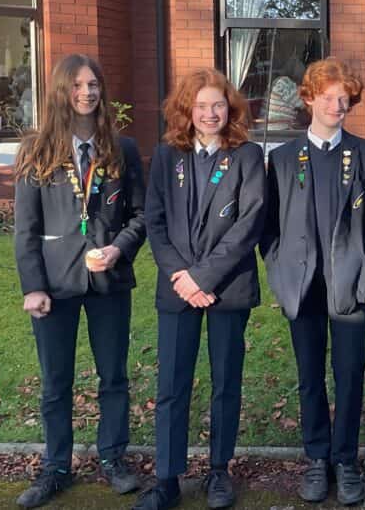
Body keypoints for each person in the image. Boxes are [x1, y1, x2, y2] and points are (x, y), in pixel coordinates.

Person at [261, 59, 365, 505]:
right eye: (328, 97)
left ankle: (346, 459)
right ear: (309, 99)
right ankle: (317, 458)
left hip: (349, 284)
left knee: (350, 374)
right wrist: (279, 269)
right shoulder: (282, 159)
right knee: (309, 377)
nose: (337, 105)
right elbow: (267, 226)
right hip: (302, 287)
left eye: (344, 99)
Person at [13, 54, 146, 508]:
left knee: (113, 376)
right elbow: (26, 229)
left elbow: (141, 215)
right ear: (60, 92)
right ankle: (56, 467)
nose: (87, 92)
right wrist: (33, 286)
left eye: (93, 84)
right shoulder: (36, 150)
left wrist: (119, 249)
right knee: (56, 381)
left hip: (109, 282)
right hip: (54, 283)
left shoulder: (122, 150)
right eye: (77, 85)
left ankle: (113, 458)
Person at [135, 68, 266, 510]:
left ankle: (218, 471)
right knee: (172, 384)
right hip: (177, 287)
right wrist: (182, 277)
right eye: (201, 105)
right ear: (186, 110)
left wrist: (203, 278)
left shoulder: (247, 156)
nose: (210, 113)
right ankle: (167, 477)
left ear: (230, 109)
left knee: (226, 381)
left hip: (226, 287)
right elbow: (155, 221)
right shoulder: (166, 154)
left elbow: (249, 223)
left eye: (218, 105)